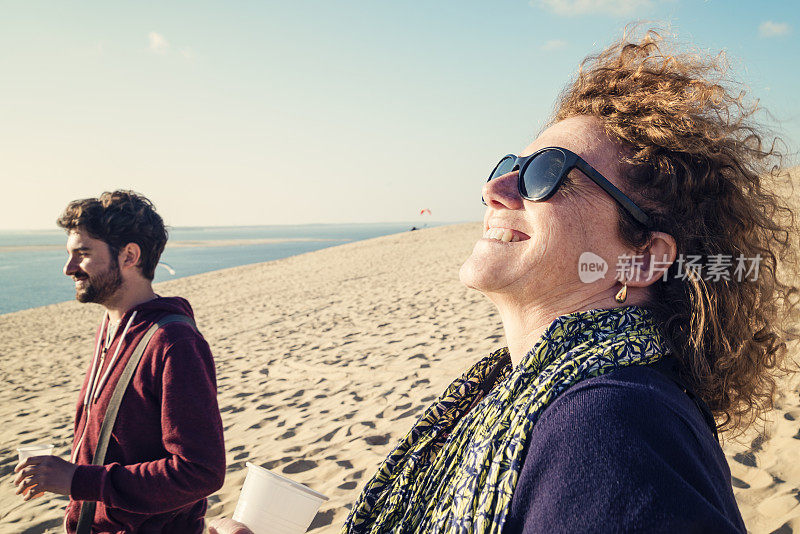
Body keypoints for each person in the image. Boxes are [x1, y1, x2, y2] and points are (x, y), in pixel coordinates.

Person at [212, 29, 797, 534]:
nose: (497, 191)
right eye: (507, 168)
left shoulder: (610, 426)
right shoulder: (523, 395)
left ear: (642, 259)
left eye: (547, 174)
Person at [14, 190, 226, 533]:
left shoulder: (173, 343)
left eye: (83, 254)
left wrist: (78, 480)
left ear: (129, 255)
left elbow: (200, 472)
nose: (68, 268)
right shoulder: (112, 328)